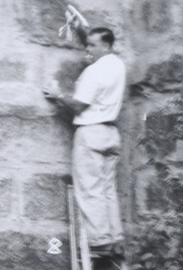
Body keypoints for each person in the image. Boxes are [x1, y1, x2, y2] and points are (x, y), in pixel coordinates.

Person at [44, 26, 126, 256]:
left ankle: (100, 242)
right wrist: (84, 30)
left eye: (92, 45)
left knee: (90, 188)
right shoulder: (118, 65)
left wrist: (57, 94)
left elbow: (80, 104)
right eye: (87, 44)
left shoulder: (94, 71)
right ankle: (115, 236)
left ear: (106, 46)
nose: (88, 50)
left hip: (91, 131)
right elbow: (100, 37)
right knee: (107, 189)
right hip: (111, 132)